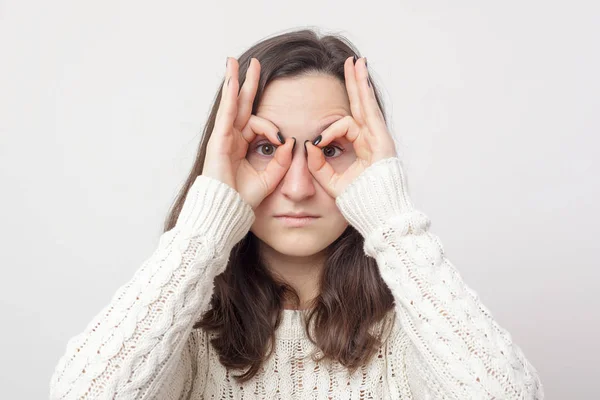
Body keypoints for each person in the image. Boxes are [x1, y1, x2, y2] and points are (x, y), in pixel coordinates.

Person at [49, 28, 544, 399]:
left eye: (331, 150)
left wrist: (391, 218)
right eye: (266, 148)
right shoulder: (181, 336)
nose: (300, 186)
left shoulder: (416, 335)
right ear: (224, 154)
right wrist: (204, 224)